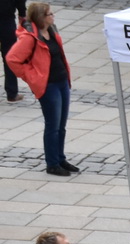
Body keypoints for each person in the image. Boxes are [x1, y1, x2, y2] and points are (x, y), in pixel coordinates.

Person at [6, 3, 72, 175]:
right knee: (53, 125)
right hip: (48, 86)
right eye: (50, 14)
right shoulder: (30, 38)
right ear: (41, 18)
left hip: (62, 82)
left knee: (62, 125)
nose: (53, 16)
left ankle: (60, 158)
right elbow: (12, 59)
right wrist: (31, 76)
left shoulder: (51, 30)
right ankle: (52, 164)